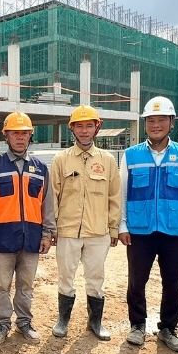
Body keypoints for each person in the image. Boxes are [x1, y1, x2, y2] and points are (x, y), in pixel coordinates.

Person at [118, 97, 178, 353]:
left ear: (171, 123)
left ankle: (168, 328)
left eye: (161, 120)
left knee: (173, 282)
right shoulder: (131, 155)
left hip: (174, 230)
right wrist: (122, 224)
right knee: (136, 280)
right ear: (145, 124)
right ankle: (137, 325)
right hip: (139, 230)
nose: (156, 125)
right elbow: (121, 193)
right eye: (151, 120)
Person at [0, 111, 56, 345]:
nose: (20, 137)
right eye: (15, 133)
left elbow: (48, 203)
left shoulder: (41, 169)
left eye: (24, 133)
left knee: (26, 285)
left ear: (30, 136)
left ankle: (24, 322)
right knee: (2, 285)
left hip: (32, 238)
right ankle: (2, 323)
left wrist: (47, 233)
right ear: (6, 135)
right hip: (2, 238)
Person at [50, 105, 120, 341]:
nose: (84, 130)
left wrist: (113, 228)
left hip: (97, 231)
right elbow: (53, 196)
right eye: (79, 126)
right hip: (67, 230)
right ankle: (63, 320)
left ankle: (95, 322)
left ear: (96, 128)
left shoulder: (108, 160)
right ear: (72, 129)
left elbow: (114, 196)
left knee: (95, 277)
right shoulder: (61, 159)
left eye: (89, 125)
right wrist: (53, 228)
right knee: (65, 276)